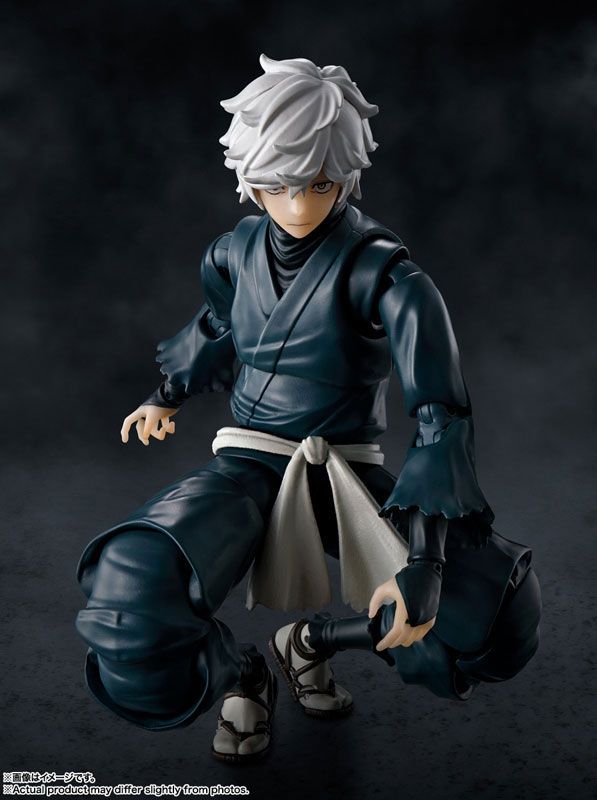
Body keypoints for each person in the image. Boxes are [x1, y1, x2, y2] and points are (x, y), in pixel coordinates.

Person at [75, 55, 541, 763]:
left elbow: (439, 416)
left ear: (345, 174)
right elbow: (219, 325)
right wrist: (164, 396)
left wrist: (426, 562)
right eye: (276, 185)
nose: (297, 206)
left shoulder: (387, 275)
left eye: (318, 184)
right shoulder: (230, 254)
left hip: (344, 470)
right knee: (127, 594)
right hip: (249, 460)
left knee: (496, 614)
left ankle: (313, 642)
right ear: (249, 177)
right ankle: (244, 674)